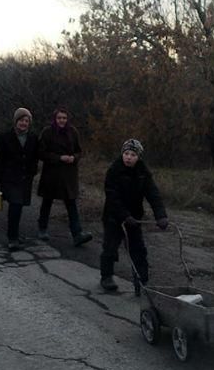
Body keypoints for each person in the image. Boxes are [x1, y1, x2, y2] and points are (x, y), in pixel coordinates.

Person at [99, 139, 168, 292]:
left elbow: (153, 194)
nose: (128, 157)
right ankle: (106, 276)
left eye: (132, 154)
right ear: (122, 154)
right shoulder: (114, 170)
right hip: (114, 216)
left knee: (138, 249)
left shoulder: (143, 172)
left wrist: (161, 215)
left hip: (135, 218)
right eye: (126, 153)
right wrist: (124, 215)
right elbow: (112, 196)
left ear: (138, 157)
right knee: (110, 247)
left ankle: (141, 282)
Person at [36, 107, 93, 246]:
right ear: (55, 119)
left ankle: (77, 234)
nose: (62, 120)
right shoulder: (47, 132)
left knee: (71, 203)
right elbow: (41, 153)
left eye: (64, 118)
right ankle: (42, 229)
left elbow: (79, 151)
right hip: (52, 174)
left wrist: (74, 157)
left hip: (69, 174)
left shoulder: (72, 132)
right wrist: (59, 158)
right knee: (47, 202)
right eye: (59, 118)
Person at [0, 107, 39, 251]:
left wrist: (33, 171)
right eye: (21, 120)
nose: (24, 123)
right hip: (9, 178)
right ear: (16, 121)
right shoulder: (5, 137)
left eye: (26, 121)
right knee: (15, 205)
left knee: (18, 206)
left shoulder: (33, 138)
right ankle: (12, 238)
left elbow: (35, 157)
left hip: (25, 178)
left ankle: (15, 235)